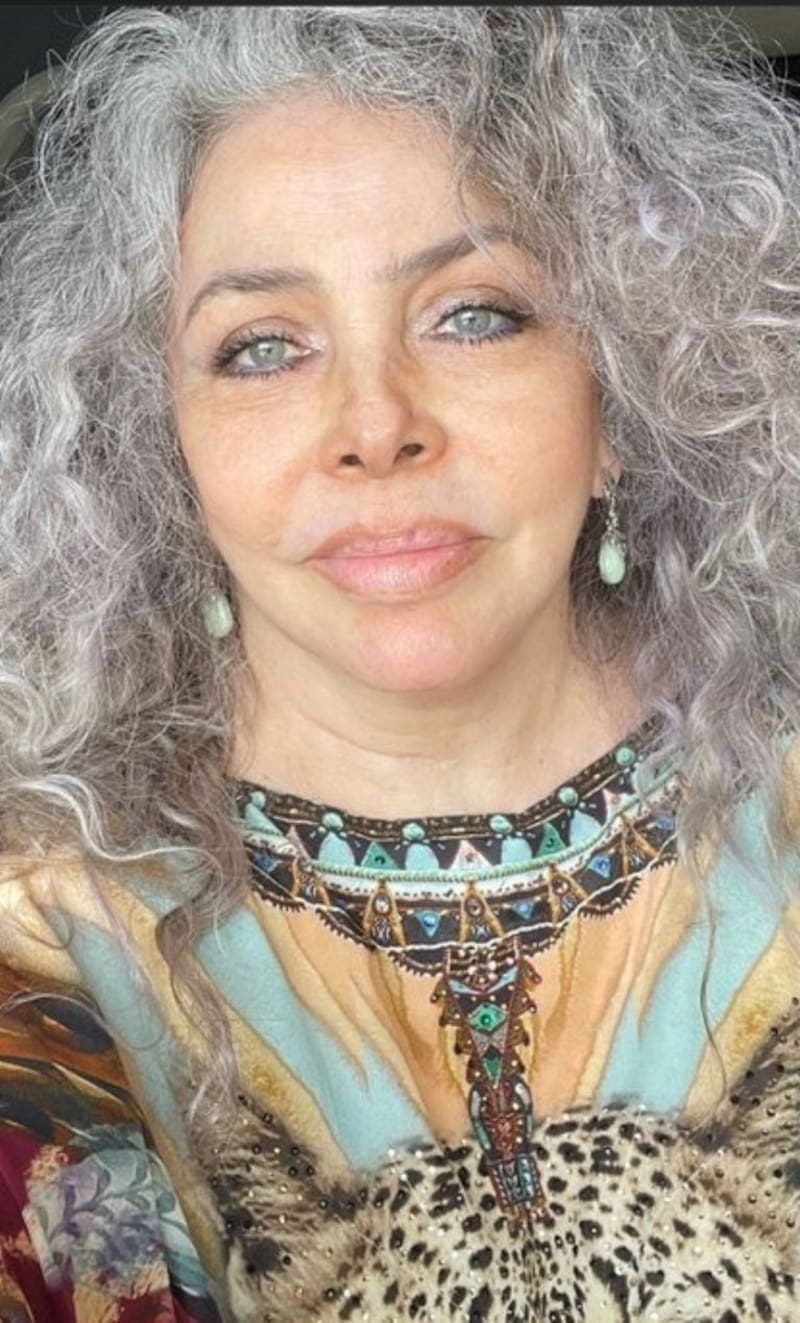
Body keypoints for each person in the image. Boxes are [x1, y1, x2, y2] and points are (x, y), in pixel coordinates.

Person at [1, 5, 800, 1320]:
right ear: (160, 451)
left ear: (628, 389)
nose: (374, 427)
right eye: (262, 346)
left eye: (475, 315)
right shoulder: (47, 944)